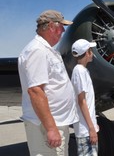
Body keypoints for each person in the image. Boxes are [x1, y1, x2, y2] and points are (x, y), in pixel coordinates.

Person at [18, 10, 79, 156]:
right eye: (61, 26)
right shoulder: (37, 51)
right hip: (46, 126)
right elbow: (35, 91)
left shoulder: (46, 50)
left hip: (55, 123)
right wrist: (51, 129)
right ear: (51, 26)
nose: (63, 30)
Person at [71, 39, 99, 156]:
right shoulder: (79, 71)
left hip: (87, 128)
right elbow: (82, 101)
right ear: (87, 53)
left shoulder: (82, 71)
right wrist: (91, 128)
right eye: (91, 50)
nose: (92, 53)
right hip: (85, 131)